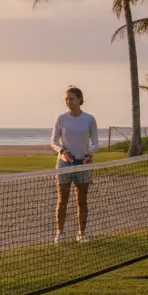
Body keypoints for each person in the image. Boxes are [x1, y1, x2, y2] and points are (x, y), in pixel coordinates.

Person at [50, 86, 97, 243]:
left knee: (81, 200)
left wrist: (89, 154)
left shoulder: (89, 119)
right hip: (64, 164)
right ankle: (60, 234)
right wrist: (62, 151)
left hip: (83, 164)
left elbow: (95, 143)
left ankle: (81, 234)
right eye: (66, 99)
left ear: (79, 100)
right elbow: (53, 142)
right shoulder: (60, 118)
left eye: (71, 99)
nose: (68, 101)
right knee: (62, 200)